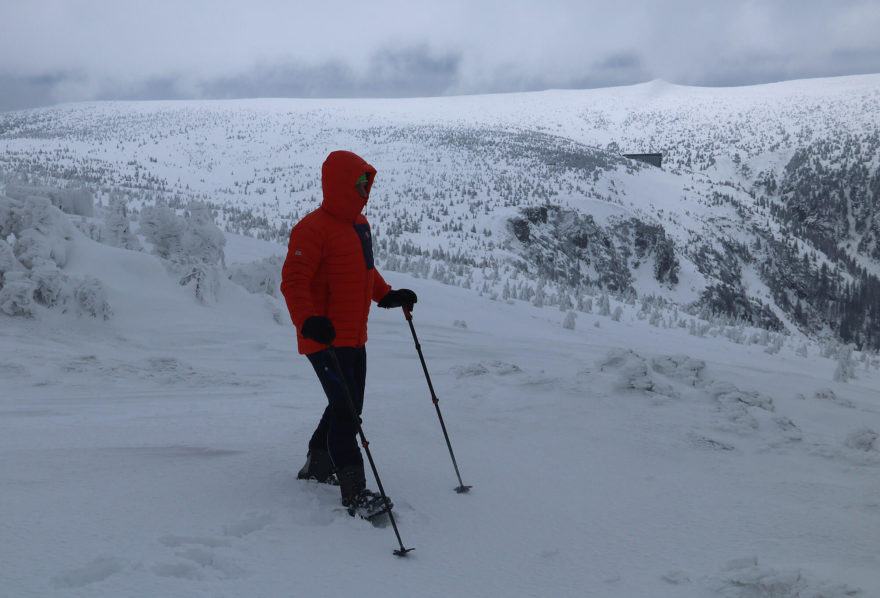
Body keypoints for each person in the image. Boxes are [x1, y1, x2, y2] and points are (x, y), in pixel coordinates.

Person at [280, 150, 417, 517]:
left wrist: (386, 295)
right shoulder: (311, 229)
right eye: (358, 183)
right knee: (346, 411)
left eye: (366, 182)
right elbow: (294, 282)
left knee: (349, 405)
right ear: (339, 183)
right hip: (323, 338)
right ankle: (354, 490)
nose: (364, 189)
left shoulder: (360, 225)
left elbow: (365, 271)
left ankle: (318, 464)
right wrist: (308, 321)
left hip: (355, 335)